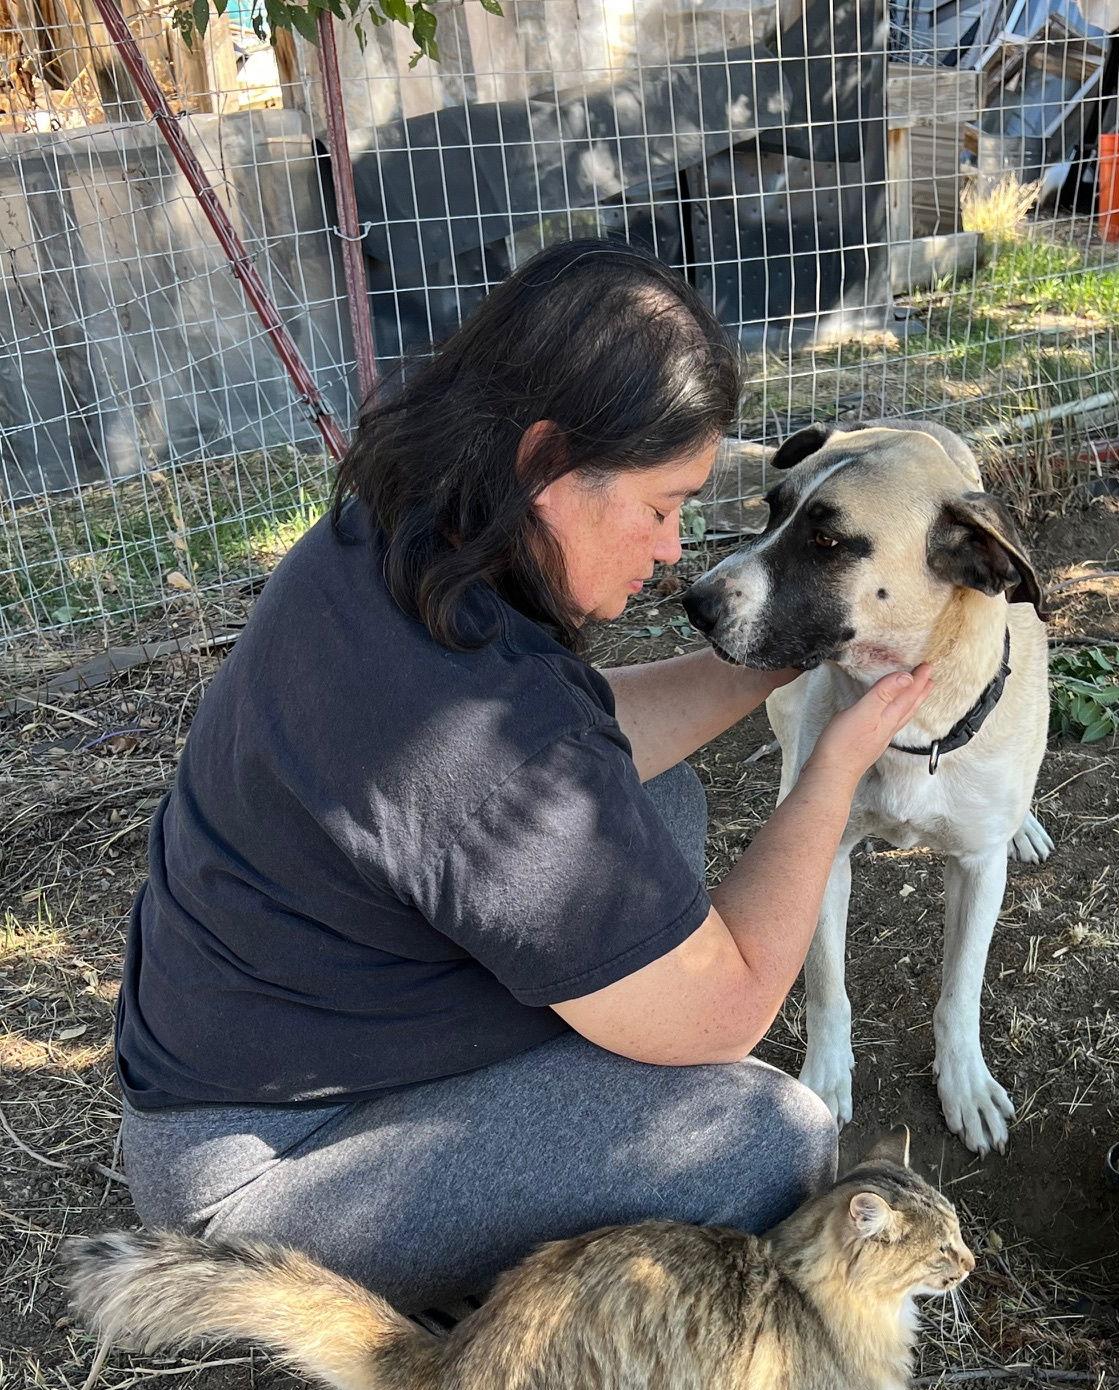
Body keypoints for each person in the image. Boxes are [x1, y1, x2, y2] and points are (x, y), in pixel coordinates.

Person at [114, 240, 931, 1310]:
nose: (675, 547)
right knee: (769, 1142)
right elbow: (726, 1009)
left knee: (661, 803)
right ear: (548, 465)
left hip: (253, 1048)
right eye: (659, 505)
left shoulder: (400, 537)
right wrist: (834, 765)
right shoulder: (492, 749)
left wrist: (776, 654)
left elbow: (579, 748)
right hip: (263, 1180)